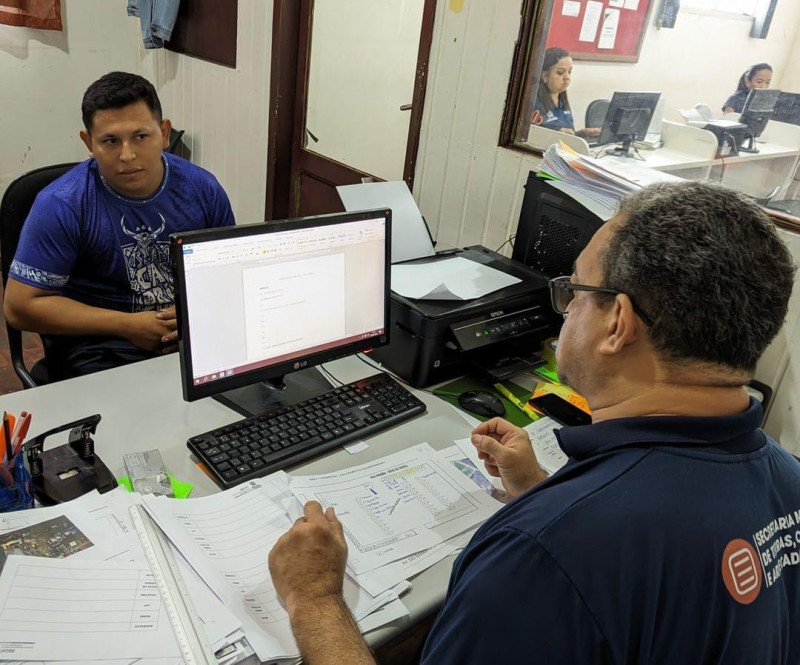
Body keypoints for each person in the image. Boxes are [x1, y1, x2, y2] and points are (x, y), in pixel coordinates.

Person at [268, 181, 800, 664]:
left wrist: (312, 599)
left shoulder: (541, 558)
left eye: (575, 290)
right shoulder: (788, 480)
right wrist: (539, 490)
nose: (565, 310)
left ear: (618, 324)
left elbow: (597, 564)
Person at [4, 72, 235, 379]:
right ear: (89, 143)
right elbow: (19, 307)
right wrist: (127, 325)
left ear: (164, 133)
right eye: (110, 141)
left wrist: (196, 316)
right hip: (101, 345)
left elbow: (228, 274)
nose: (127, 155)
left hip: (190, 332)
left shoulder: (202, 189)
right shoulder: (62, 204)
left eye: (141, 137)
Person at [532, 47, 600, 139]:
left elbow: (568, 134)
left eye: (569, 72)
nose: (567, 77)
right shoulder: (533, 102)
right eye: (560, 72)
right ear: (544, 76)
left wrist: (582, 133)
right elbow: (532, 136)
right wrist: (556, 133)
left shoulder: (562, 100)